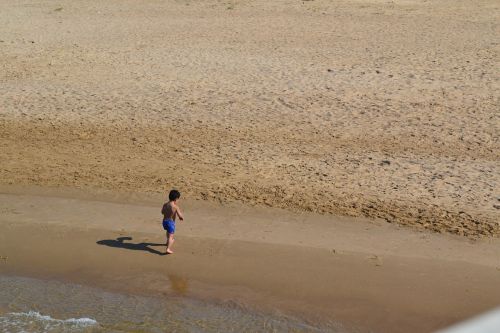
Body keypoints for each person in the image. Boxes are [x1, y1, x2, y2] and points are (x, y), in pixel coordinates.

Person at [161, 189, 184, 254]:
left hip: (164, 222)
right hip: (170, 223)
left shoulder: (165, 204)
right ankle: (168, 248)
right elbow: (180, 215)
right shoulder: (175, 207)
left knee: (167, 232)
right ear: (176, 199)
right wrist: (181, 217)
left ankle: (167, 242)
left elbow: (162, 212)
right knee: (171, 237)